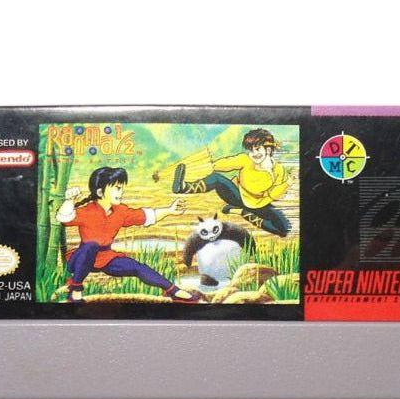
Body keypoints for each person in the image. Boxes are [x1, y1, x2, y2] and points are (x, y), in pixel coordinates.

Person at [56, 166, 201, 303]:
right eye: (117, 188)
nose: (121, 192)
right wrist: (69, 200)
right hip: (81, 258)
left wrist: (169, 210)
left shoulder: (120, 211)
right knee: (91, 246)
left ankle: (173, 291)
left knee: (138, 267)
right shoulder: (87, 211)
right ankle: (75, 289)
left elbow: (145, 216)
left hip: (107, 258)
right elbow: (64, 218)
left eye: (122, 188)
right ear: (100, 192)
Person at [172, 128, 294, 237]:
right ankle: (184, 187)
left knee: (283, 229)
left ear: (268, 149)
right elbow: (227, 163)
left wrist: (287, 184)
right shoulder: (245, 160)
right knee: (216, 178)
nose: (254, 154)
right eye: (251, 150)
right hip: (236, 196)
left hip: (260, 204)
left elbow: (273, 195)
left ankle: (240, 211)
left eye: (257, 149)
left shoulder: (279, 170)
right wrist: (210, 165)